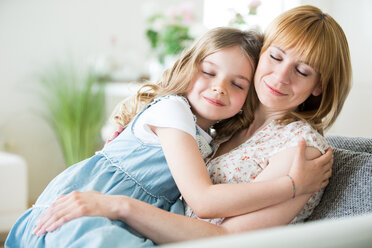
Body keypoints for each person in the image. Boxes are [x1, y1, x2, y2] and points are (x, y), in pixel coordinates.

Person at [28, 5, 351, 245]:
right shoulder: (227, 128)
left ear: (319, 86)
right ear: (262, 54)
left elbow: (224, 236)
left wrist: (120, 206)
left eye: (303, 71)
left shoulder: (302, 152)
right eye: (276, 57)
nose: (281, 77)